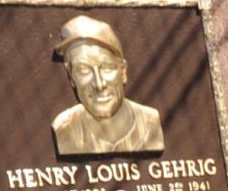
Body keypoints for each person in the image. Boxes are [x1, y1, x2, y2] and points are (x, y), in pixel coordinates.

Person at [50, 13, 164, 156]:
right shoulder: (64, 128)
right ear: (71, 77)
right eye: (84, 70)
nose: (99, 84)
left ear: (123, 71)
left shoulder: (150, 122)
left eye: (107, 67)